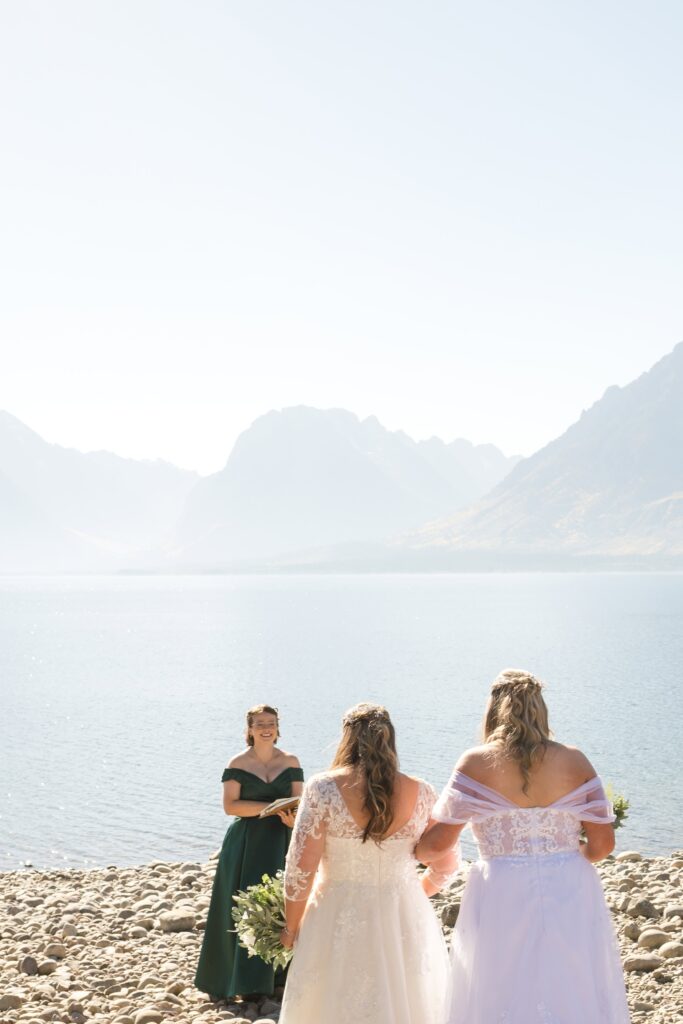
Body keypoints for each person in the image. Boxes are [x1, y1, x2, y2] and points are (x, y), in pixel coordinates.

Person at [415, 669, 630, 1024]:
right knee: (572, 976)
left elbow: (437, 845)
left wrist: (409, 845)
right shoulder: (576, 760)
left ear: (493, 710)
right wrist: (573, 852)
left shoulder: (475, 762)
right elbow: (603, 844)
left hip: (501, 886)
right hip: (570, 883)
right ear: (541, 709)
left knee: (499, 979)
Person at [278, 702, 459, 1024]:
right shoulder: (422, 791)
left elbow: (300, 868)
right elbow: (446, 867)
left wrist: (290, 926)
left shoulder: (323, 788)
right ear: (391, 740)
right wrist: (413, 893)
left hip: (336, 910)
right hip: (404, 911)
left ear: (347, 738)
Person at [195, 704, 304, 1001]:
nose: (266, 727)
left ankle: (278, 978)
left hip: (282, 837)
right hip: (245, 842)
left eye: (271, 722)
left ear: (278, 727)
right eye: (259, 723)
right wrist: (268, 809)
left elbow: (300, 801)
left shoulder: (292, 761)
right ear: (250, 729)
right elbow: (231, 806)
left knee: (283, 904)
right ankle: (239, 980)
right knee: (240, 905)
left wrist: (292, 818)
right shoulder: (238, 762)